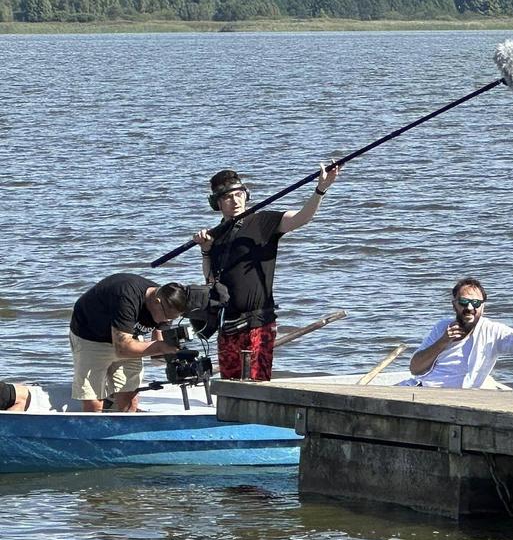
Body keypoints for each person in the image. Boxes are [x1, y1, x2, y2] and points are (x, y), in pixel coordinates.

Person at [193, 164, 340, 381]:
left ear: (246, 195)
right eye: (227, 197)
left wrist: (320, 190)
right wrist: (205, 251)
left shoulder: (263, 222)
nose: (235, 201)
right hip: (228, 323)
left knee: (257, 383)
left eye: (238, 194)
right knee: (229, 383)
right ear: (217, 203)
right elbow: (210, 280)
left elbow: (302, 218)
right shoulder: (215, 236)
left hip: (258, 321)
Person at [70, 274, 190, 412]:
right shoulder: (126, 297)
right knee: (95, 401)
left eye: (172, 319)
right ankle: (94, 427)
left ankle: (125, 426)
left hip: (129, 338)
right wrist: (160, 347)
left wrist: (175, 356)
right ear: (157, 302)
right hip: (91, 336)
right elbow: (123, 349)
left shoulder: (168, 301)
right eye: (167, 317)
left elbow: (159, 343)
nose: (167, 321)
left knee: (130, 397)